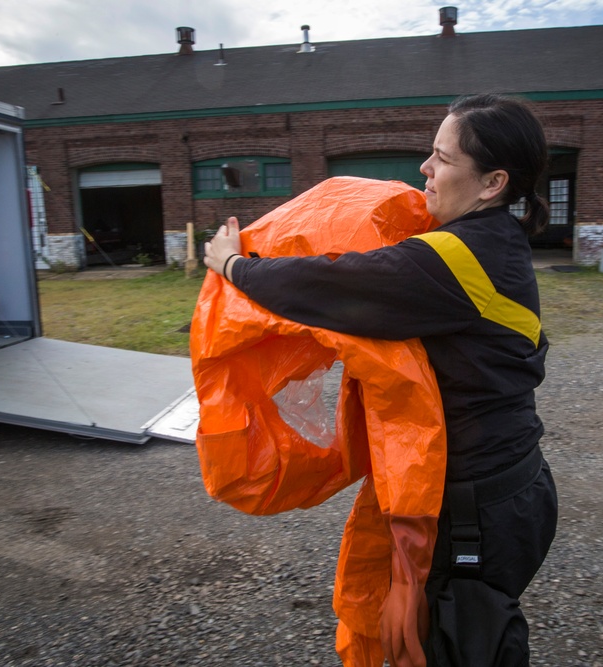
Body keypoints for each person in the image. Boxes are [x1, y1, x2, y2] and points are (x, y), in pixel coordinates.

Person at [204, 93, 558, 667]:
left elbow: (334, 285)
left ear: (493, 183)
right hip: (507, 490)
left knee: (459, 647)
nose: (425, 168)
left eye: (442, 159)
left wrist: (234, 266)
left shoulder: (458, 258)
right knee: (462, 634)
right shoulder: (495, 242)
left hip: (476, 510)